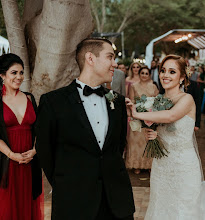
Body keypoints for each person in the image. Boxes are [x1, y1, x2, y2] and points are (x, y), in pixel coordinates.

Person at [36, 38, 135, 219]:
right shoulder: (53, 102)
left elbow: (118, 146)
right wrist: (66, 183)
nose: (115, 63)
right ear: (91, 58)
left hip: (115, 202)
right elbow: (45, 152)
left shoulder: (118, 101)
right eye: (110, 57)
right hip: (74, 202)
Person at [126, 55, 205, 220]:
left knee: (184, 211)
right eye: (163, 71)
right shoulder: (158, 100)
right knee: (160, 206)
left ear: (182, 77)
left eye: (172, 72)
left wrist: (137, 113)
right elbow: (161, 128)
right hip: (161, 165)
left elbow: (170, 116)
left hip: (183, 166)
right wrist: (152, 135)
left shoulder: (186, 99)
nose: (165, 75)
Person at [0, 53, 43, 220]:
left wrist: (34, 150)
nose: (19, 77)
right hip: (6, 164)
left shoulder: (30, 98)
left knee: (27, 207)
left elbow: (39, 130)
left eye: (21, 72)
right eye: (14, 73)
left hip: (29, 163)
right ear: (2, 75)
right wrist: (11, 155)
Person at [126, 66, 158, 174]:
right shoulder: (133, 86)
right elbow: (131, 101)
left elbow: (157, 102)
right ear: (139, 74)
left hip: (150, 118)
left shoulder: (153, 86)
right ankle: (136, 165)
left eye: (146, 73)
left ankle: (149, 165)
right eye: (142, 73)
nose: (144, 75)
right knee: (136, 142)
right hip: (138, 117)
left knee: (148, 141)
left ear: (149, 75)